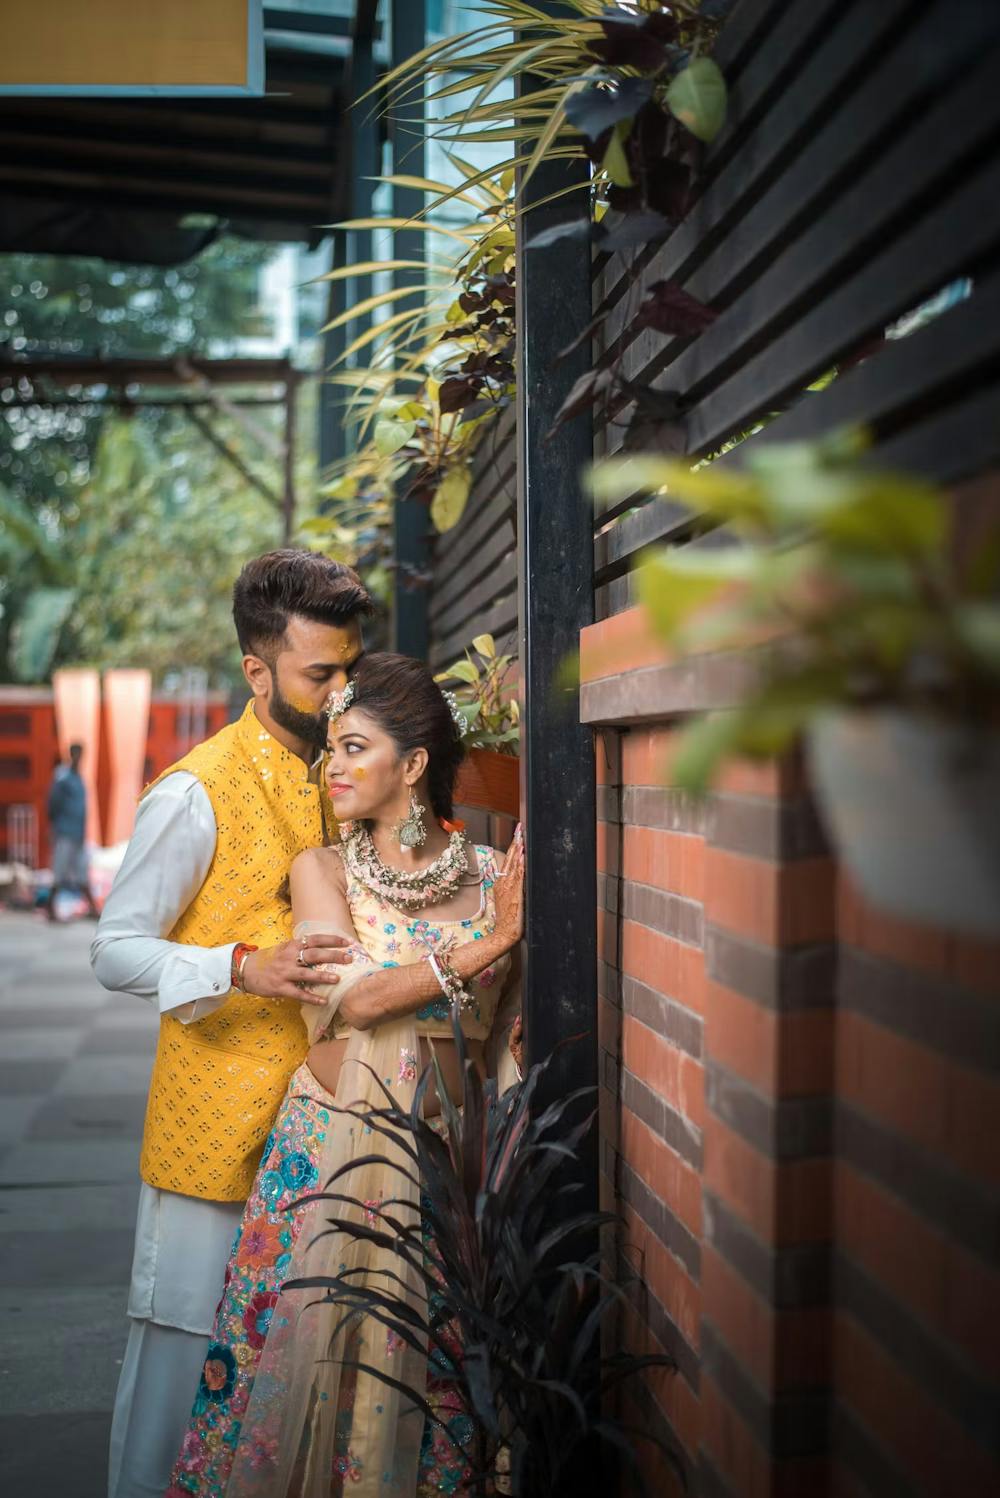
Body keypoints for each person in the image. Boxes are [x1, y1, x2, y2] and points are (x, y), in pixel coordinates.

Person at [165, 652, 524, 1498]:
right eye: (331, 747)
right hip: (329, 1169)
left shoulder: (489, 877)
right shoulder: (322, 872)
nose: (334, 766)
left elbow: (507, 1035)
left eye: (355, 747)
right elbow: (356, 1001)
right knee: (302, 1396)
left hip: (448, 1175)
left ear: (414, 765)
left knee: (424, 1402)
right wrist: (488, 945)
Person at [91, 549, 375, 1498]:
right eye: (319, 675)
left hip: (324, 1134)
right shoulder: (192, 790)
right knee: (182, 1374)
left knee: (285, 1384)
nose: (342, 694)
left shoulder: (350, 770)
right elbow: (115, 950)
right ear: (257, 671)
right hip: (212, 1137)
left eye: (351, 670)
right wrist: (241, 968)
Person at [46, 742, 99, 920]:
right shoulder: (63, 777)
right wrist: (53, 828)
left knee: (82, 870)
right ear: (71, 754)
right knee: (60, 871)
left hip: (78, 833)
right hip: (64, 832)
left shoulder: (79, 778)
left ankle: (92, 908)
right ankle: (50, 908)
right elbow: (53, 804)